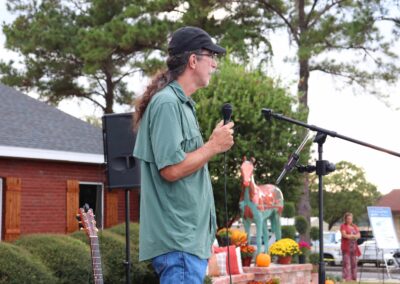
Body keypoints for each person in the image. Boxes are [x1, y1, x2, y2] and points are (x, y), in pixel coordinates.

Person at [133, 26, 234, 284]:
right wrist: (212, 147)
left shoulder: (182, 105)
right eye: (211, 56)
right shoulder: (167, 104)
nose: (215, 64)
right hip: (179, 245)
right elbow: (171, 169)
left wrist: (211, 144)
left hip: (187, 245)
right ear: (192, 60)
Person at [340, 212, 361, 281]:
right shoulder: (343, 226)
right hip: (346, 248)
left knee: (354, 263)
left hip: (354, 248)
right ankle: (347, 278)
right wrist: (353, 236)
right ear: (345, 219)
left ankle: (354, 277)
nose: (349, 220)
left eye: (351, 218)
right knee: (347, 263)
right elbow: (344, 235)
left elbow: (359, 235)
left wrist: (351, 236)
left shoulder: (354, 226)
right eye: (348, 218)